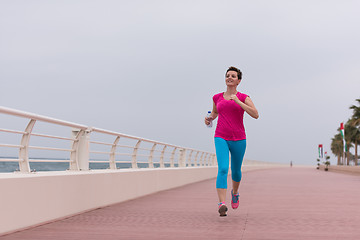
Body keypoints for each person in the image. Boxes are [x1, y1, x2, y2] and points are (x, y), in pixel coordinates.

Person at [204, 66, 259, 217]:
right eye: (227, 75)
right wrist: (209, 118)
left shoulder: (243, 97)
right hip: (220, 136)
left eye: (233, 76)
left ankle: (235, 192)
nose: (229, 78)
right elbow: (215, 112)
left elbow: (256, 114)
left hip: (239, 138)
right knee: (222, 168)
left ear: (238, 81)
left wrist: (238, 102)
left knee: (236, 171)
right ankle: (222, 203)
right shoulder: (217, 97)